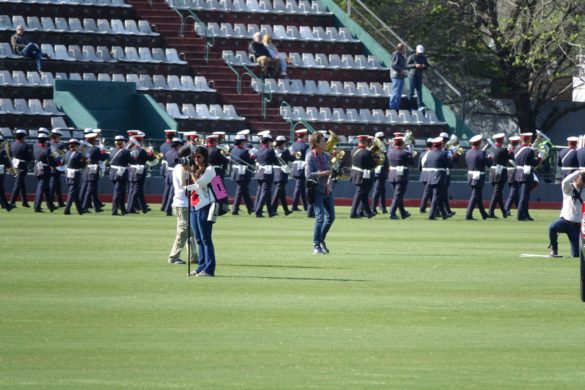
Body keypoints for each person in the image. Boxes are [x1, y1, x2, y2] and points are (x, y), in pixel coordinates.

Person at [186, 146, 217, 277]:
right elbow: (188, 185)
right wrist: (186, 172)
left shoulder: (210, 169)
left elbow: (199, 185)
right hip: (194, 206)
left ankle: (209, 269)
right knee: (198, 239)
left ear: (205, 157)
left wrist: (190, 173)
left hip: (205, 206)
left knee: (206, 239)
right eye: (195, 157)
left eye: (199, 157)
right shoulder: (195, 169)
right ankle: (201, 267)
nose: (196, 159)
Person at [305, 132, 335, 255]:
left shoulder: (327, 156)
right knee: (320, 217)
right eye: (323, 141)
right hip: (316, 190)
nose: (326, 143)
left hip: (327, 190)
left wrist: (333, 176)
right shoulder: (310, 156)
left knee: (331, 217)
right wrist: (323, 173)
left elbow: (330, 172)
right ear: (316, 143)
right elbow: (308, 175)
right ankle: (316, 245)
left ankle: (321, 240)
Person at [167, 145, 197, 265]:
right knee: (183, 232)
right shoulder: (182, 168)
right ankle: (173, 257)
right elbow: (186, 186)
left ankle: (193, 256)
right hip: (182, 203)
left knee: (190, 232)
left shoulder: (179, 167)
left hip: (182, 202)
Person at [548, 169, 585, 257]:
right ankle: (554, 248)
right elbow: (565, 181)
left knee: (576, 254)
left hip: (577, 225)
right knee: (552, 227)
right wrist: (578, 172)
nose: (582, 182)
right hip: (565, 221)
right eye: (581, 179)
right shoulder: (568, 188)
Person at [127, 131, 154, 214]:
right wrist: (151, 152)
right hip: (139, 171)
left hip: (131, 170)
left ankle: (142, 207)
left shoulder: (131, 149)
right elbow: (150, 159)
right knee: (136, 190)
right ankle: (130, 208)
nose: (143, 142)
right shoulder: (142, 150)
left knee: (133, 189)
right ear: (140, 141)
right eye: (142, 141)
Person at [464, 135, 491, 220]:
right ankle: (468, 214)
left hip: (470, 175)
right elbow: (488, 164)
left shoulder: (468, 152)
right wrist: (490, 158)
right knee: (475, 195)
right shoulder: (481, 153)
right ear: (479, 143)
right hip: (478, 176)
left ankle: (484, 214)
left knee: (478, 195)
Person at [387, 135, 414, 219]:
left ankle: (403, 213)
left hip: (392, 175)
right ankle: (392, 213)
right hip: (401, 175)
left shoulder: (390, 152)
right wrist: (411, 153)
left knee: (398, 195)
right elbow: (412, 163)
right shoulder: (405, 153)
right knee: (398, 195)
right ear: (402, 143)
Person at [350, 135, 376, 218]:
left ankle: (368, 212)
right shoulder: (367, 152)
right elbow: (372, 165)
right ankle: (353, 213)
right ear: (365, 142)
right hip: (362, 175)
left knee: (363, 194)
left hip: (355, 174)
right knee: (359, 193)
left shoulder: (353, 150)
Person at [426, 136, 452, 220]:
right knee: (437, 195)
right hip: (439, 176)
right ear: (441, 145)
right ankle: (431, 215)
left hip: (430, 176)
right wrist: (450, 158)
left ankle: (444, 214)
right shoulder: (443, 153)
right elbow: (450, 165)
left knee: (439, 195)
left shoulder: (429, 153)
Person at [514, 132, 539, 221]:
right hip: (526, 174)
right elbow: (533, 163)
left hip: (518, 173)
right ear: (529, 139)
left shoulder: (517, 149)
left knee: (525, 195)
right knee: (524, 196)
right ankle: (520, 215)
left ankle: (526, 214)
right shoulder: (529, 150)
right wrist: (540, 158)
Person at [81, 132, 107, 213]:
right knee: (91, 188)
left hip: (86, 169)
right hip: (93, 169)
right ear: (93, 140)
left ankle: (97, 206)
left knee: (93, 189)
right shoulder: (95, 149)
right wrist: (105, 153)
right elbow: (102, 158)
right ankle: (84, 207)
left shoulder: (84, 148)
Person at [254, 131, 278, 217]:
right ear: (268, 141)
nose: (271, 142)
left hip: (259, 173)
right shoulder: (270, 151)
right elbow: (276, 162)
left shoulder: (258, 150)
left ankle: (270, 212)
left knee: (267, 193)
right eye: (271, 141)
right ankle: (258, 211)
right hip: (267, 173)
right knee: (264, 193)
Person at [230, 134, 255, 215]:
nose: (245, 143)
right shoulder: (244, 151)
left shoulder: (233, 150)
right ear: (241, 142)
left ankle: (251, 208)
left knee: (244, 191)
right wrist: (253, 157)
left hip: (236, 172)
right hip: (243, 173)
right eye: (244, 142)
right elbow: (250, 162)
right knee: (240, 191)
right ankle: (235, 209)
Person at [271, 135, 295, 215]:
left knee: (282, 193)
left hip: (274, 172)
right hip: (281, 173)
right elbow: (292, 159)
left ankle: (286, 210)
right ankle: (272, 209)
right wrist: (293, 154)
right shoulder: (285, 151)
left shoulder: (273, 150)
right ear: (283, 143)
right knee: (278, 192)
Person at [487, 133, 510, 218]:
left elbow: (489, 162)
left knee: (498, 193)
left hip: (492, 172)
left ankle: (504, 212)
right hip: (500, 172)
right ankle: (490, 212)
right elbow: (511, 157)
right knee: (497, 192)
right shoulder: (504, 150)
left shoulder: (492, 150)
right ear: (502, 140)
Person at [33, 133, 56, 213]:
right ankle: (37, 207)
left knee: (46, 189)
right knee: (41, 188)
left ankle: (50, 206)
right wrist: (59, 162)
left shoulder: (35, 148)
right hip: (45, 170)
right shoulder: (47, 149)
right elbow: (51, 162)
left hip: (37, 168)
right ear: (45, 141)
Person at [9, 129, 32, 208]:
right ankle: (12, 201)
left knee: (21, 183)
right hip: (21, 165)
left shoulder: (12, 144)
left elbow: (10, 154)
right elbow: (29, 158)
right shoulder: (25, 145)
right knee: (18, 183)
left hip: (14, 164)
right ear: (23, 137)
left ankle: (24, 202)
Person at [109, 135, 131, 216]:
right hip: (121, 174)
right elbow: (132, 161)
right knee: (118, 192)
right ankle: (114, 210)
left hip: (113, 173)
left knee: (121, 191)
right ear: (122, 143)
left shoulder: (112, 150)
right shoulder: (125, 152)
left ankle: (123, 209)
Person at [63, 139, 85, 215]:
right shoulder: (78, 155)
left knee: (75, 193)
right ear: (75, 146)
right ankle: (67, 209)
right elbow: (82, 165)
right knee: (72, 193)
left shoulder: (67, 153)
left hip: (68, 174)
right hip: (75, 175)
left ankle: (80, 210)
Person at [290, 129, 310, 212]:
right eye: (306, 136)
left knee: (301, 187)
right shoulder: (306, 146)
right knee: (299, 187)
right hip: (302, 168)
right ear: (304, 136)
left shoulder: (293, 145)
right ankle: (294, 205)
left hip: (295, 167)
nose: (307, 137)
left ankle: (305, 206)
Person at [161, 137, 182, 216]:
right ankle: (168, 210)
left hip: (168, 172)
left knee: (167, 191)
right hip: (175, 172)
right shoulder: (178, 153)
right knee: (172, 192)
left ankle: (163, 206)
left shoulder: (168, 152)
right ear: (179, 145)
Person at [406, 44, 430, 111]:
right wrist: (415, 65)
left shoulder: (423, 57)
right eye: (419, 52)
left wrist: (423, 66)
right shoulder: (412, 56)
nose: (420, 54)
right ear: (416, 50)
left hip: (419, 75)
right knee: (411, 91)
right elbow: (406, 65)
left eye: (421, 52)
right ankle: (409, 107)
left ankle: (420, 106)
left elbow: (427, 66)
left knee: (419, 91)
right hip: (412, 75)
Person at [159, 129, 177, 213]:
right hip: (172, 168)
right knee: (172, 190)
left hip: (165, 167)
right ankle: (220, 207)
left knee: (167, 188)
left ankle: (164, 205)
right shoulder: (172, 147)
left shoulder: (163, 145)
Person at [371, 132, 389, 214]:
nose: (383, 139)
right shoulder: (376, 147)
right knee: (377, 190)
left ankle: (383, 207)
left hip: (381, 170)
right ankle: (373, 208)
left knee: (382, 190)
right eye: (382, 138)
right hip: (379, 170)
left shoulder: (381, 145)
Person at [504, 135, 521, 217]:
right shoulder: (512, 150)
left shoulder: (509, 149)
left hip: (510, 172)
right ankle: (506, 209)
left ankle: (519, 209)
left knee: (516, 192)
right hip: (513, 172)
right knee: (514, 191)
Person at [48, 129, 66, 208]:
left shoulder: (52, 144)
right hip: (55, 166)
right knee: (53, 185)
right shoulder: (56, 145)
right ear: (55, 136)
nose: (60, 138)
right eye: (59, 136)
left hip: (57, 165)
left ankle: (60, 202)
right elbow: (59, 155)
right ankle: (51, 202)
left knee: (57, 185)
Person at [389, 43, 407, 113]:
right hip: (396, 76)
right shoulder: (396, 54)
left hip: (401, 77)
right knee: (395, 92)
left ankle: (396, 107)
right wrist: (401, 71)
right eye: (403, 48)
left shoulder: (402, 56)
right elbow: (393, 65)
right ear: (401, 48)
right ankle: (392, 107)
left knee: (399, 93)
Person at [418, 138, 433, 213]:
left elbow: (419, 167)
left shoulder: (422, 154)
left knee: (429, 192)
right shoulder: (433, 154)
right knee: (427, 192)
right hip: (430, 175)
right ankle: (422, 208)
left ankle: (431, 208)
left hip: (423, 174)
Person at [0, 135, 13, 211]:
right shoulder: (2, 151)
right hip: (0, 172)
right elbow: (7, 163)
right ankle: (7, 206)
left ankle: (4, 205)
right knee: (1, 189)